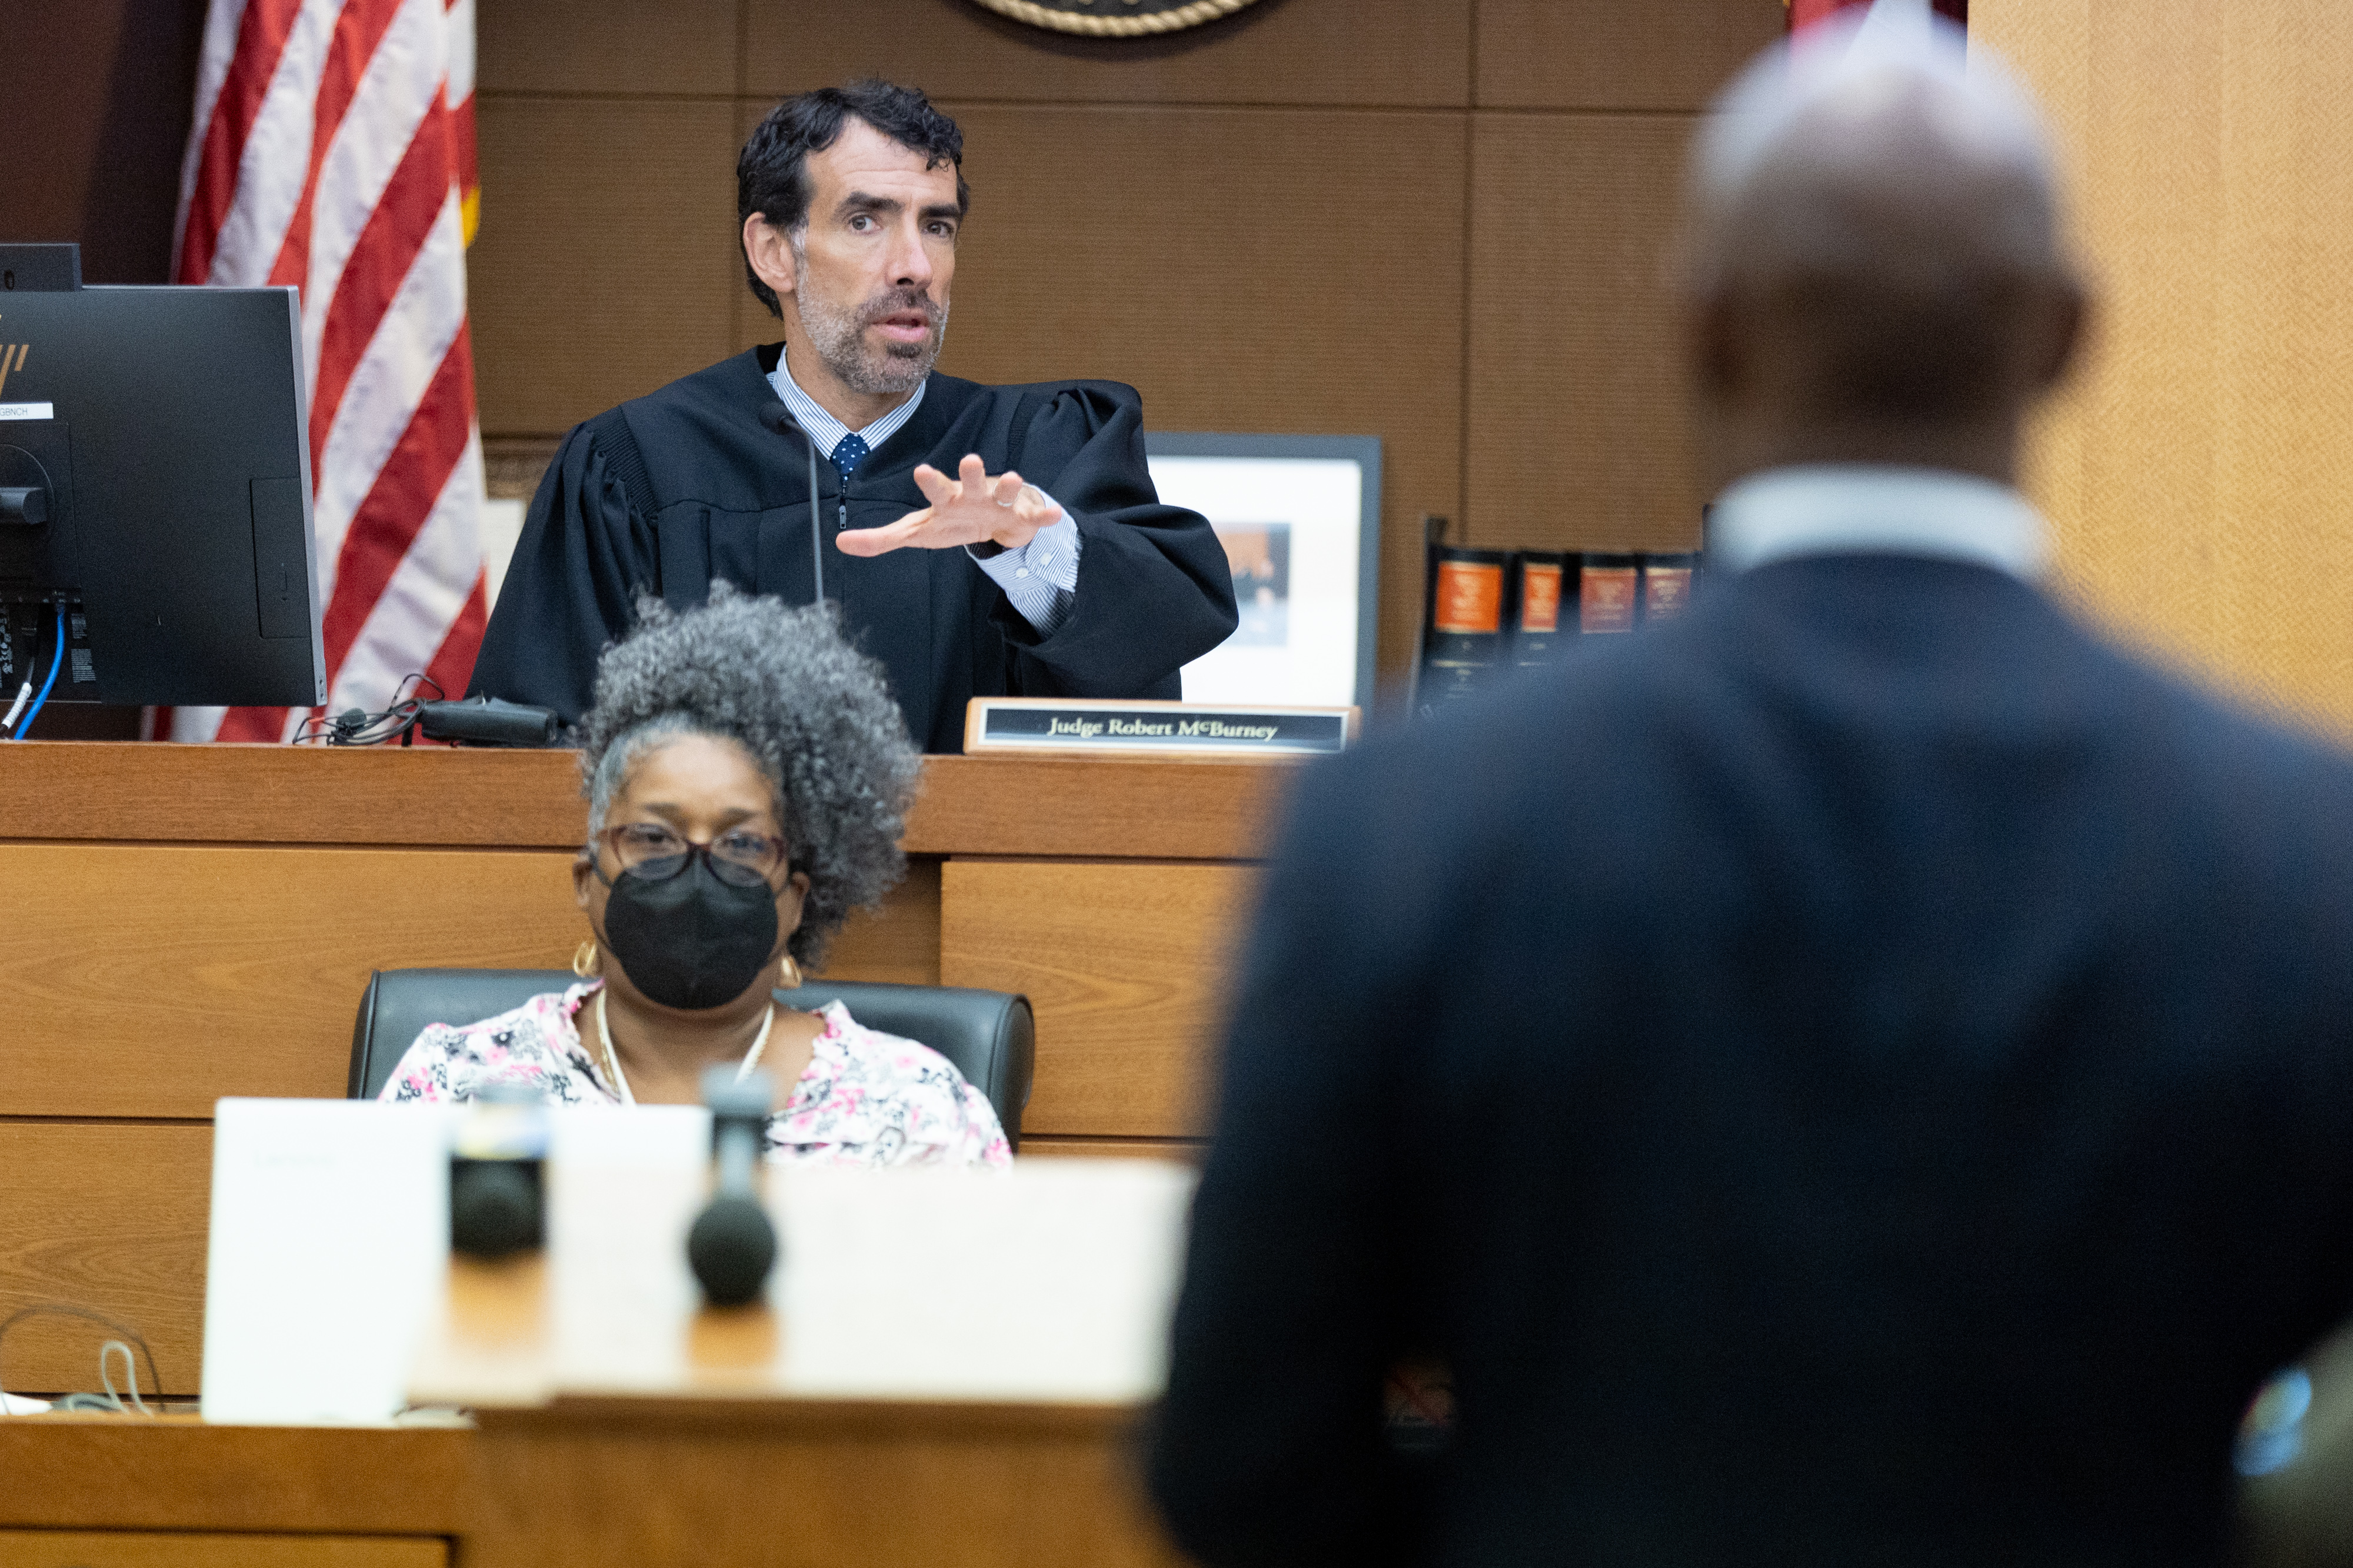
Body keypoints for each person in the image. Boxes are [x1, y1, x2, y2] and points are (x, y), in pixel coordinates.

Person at [1148, 19, 2353, 1568]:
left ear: (1703, 329)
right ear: (2064, 334)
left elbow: (1238, 1465)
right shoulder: (2290, 846)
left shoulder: (1408, 824)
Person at [468, 80, 1239, 753]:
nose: (916, 266)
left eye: (937, 225)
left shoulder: (1034, 450)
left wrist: (1029, 543)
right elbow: (540, 747)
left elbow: (1163, 635)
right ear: (774, 252)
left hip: (983, 908)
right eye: (867, 221)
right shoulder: (640, 462)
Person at [384, 583, 1009, 1168]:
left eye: (741, 843)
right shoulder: (461, 1082)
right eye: (654, 836)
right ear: (586, 877)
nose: (697, 867)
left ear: (797, 897)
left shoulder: (919, 1113)